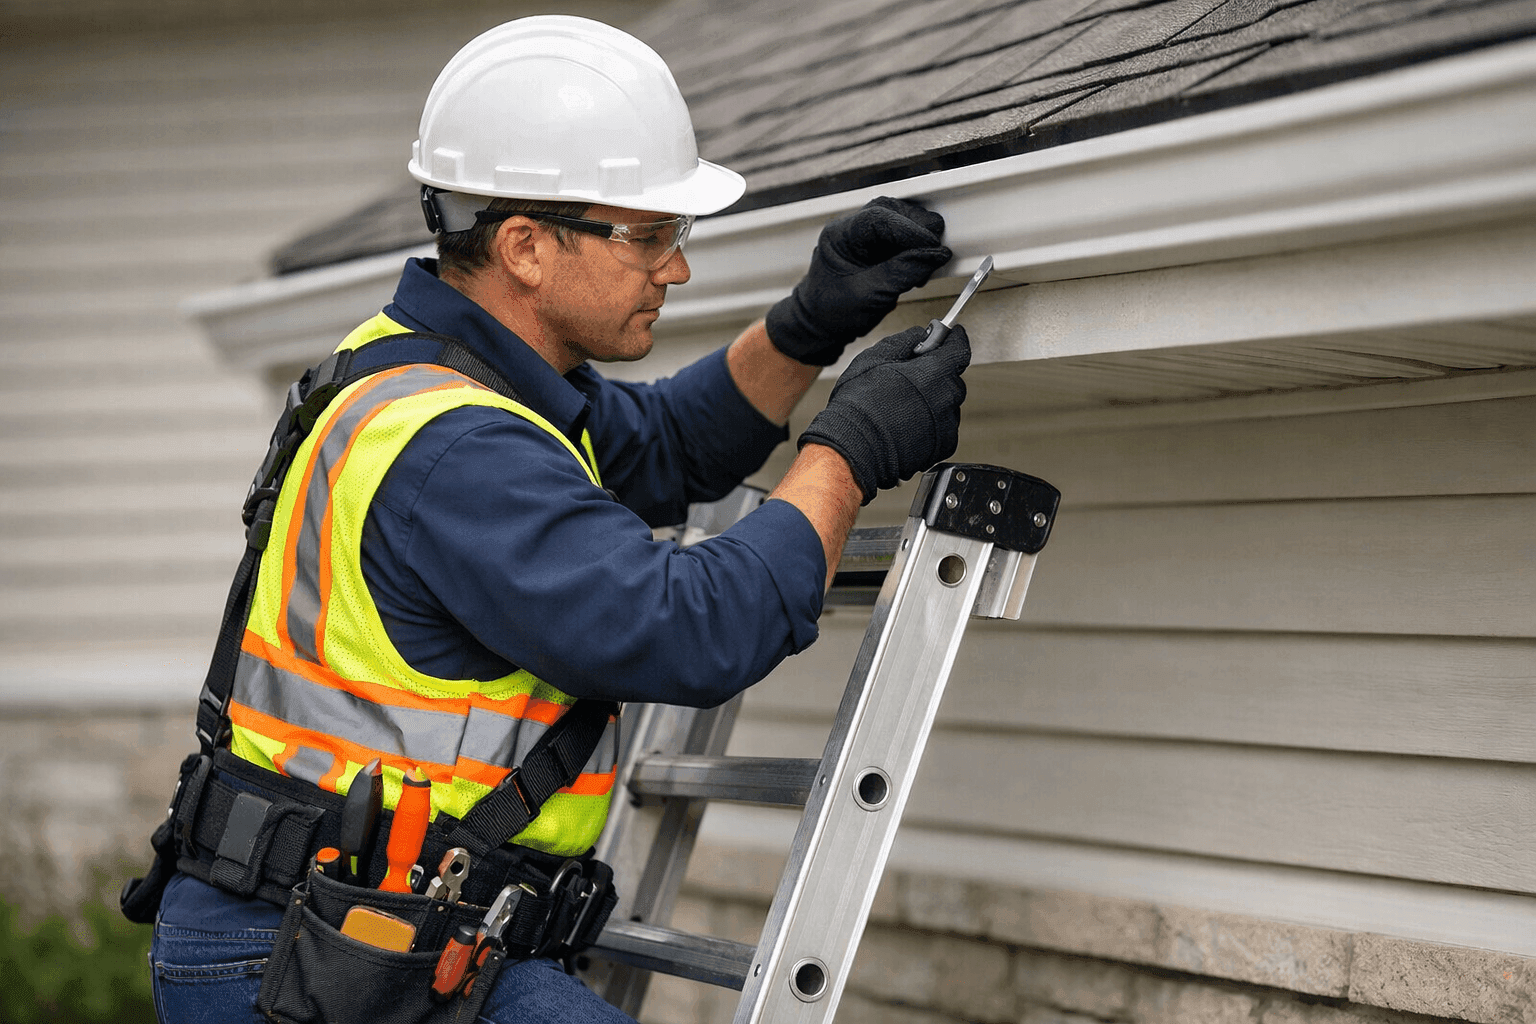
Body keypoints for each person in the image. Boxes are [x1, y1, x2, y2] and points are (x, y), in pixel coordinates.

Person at [140, 15, 970, 1024]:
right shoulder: (458, 450)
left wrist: (810, 323)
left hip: (359, 933)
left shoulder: (445, 377)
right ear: (527, 246)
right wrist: (846, 456)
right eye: (650, 236)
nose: (677, 268)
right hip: (321, 955)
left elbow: (666, 446)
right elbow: (687, 627)